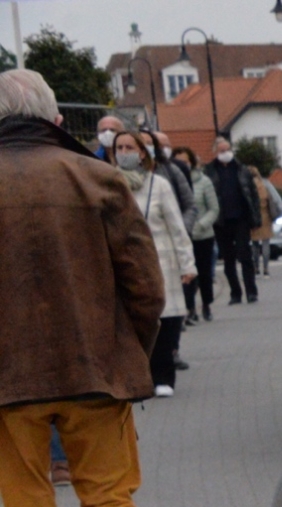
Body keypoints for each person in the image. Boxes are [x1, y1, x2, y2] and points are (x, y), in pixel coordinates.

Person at [0, 69, 173, 507]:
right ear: (53, 116)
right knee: (109, 497)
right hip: (95, 371)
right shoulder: (98, 178)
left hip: (8, 385)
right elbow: (146, 287)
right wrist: (134, 355)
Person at [115, 131, 195, 396]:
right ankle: (142, 376)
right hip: (126, 265)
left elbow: (177, 227)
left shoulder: (159, 184)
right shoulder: (110, 183)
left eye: (129, 147)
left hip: (162, 261)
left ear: (141, 153)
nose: (124, 152)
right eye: (119, 147)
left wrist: (187, 264)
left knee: (165, 321)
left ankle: (164, 376)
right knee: (135, 323)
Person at [206, 139, 259, 305]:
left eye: (227, 149)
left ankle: (251, 291)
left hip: (241, 218)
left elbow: (253, 194)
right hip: (221, 221)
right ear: (216, 153)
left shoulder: (242, 170)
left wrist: (255, 217)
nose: (225, 153)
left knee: (245, 256)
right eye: (222, 151)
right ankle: (235, 293)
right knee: (228, 260)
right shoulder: (209, 171)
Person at [174, 145, 218, 322]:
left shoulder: (203, 181)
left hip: (202, 235)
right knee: (187, 274)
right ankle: (190, 308)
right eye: (178, 161)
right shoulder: (173, 181)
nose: (182, 165)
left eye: (185, 161)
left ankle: (206, 304)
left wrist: (200, 224)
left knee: (204, 274)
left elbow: (214, 208)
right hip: (183, 235)